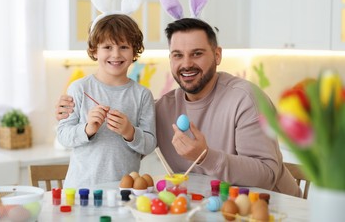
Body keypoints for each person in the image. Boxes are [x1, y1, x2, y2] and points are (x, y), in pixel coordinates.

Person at [56, 18, 301, 197]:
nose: (186, 64)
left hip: (275, 208)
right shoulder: (164, 107)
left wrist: (206, 156)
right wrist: (70, 116)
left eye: (196, 54)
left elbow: (266, 175)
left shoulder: (246, 99)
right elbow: (126, 143)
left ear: (217, 55)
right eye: (177, 55)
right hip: (207, 207)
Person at [57, 14, 157, 188]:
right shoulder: (79, 89)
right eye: (107, 47)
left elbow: (149, 145)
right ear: (95, 50)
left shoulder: (143, 95)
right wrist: (87, 129)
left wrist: (130, 132)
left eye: (124, 47)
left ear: (135, 51)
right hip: (82, 190)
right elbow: (63, 135)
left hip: (124, 192)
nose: (116, 54)